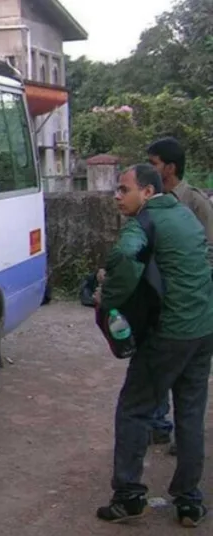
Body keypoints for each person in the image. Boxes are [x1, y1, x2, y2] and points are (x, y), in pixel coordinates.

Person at [95, 163, 213, 527]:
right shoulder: (186, 215)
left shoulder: (144, 223)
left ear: (147, 192)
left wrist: (107, 297)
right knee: (191, 415)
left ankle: (128, 495)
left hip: (169, 335)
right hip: (203, 330)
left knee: (134, 408)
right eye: (116, 189)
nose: (118, 196)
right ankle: (189, 501)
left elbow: (127, 259)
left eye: (124, 189)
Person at [146, 137, 213, 455]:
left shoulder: (195, 203)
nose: (150, 169)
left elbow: (209, 250)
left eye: (154, 163)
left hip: (188, 302)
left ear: (170, 168)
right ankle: (159, 426)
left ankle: (183, 440)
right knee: (156, 364)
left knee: (184, 375)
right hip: (158, 298)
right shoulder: (151, 202)